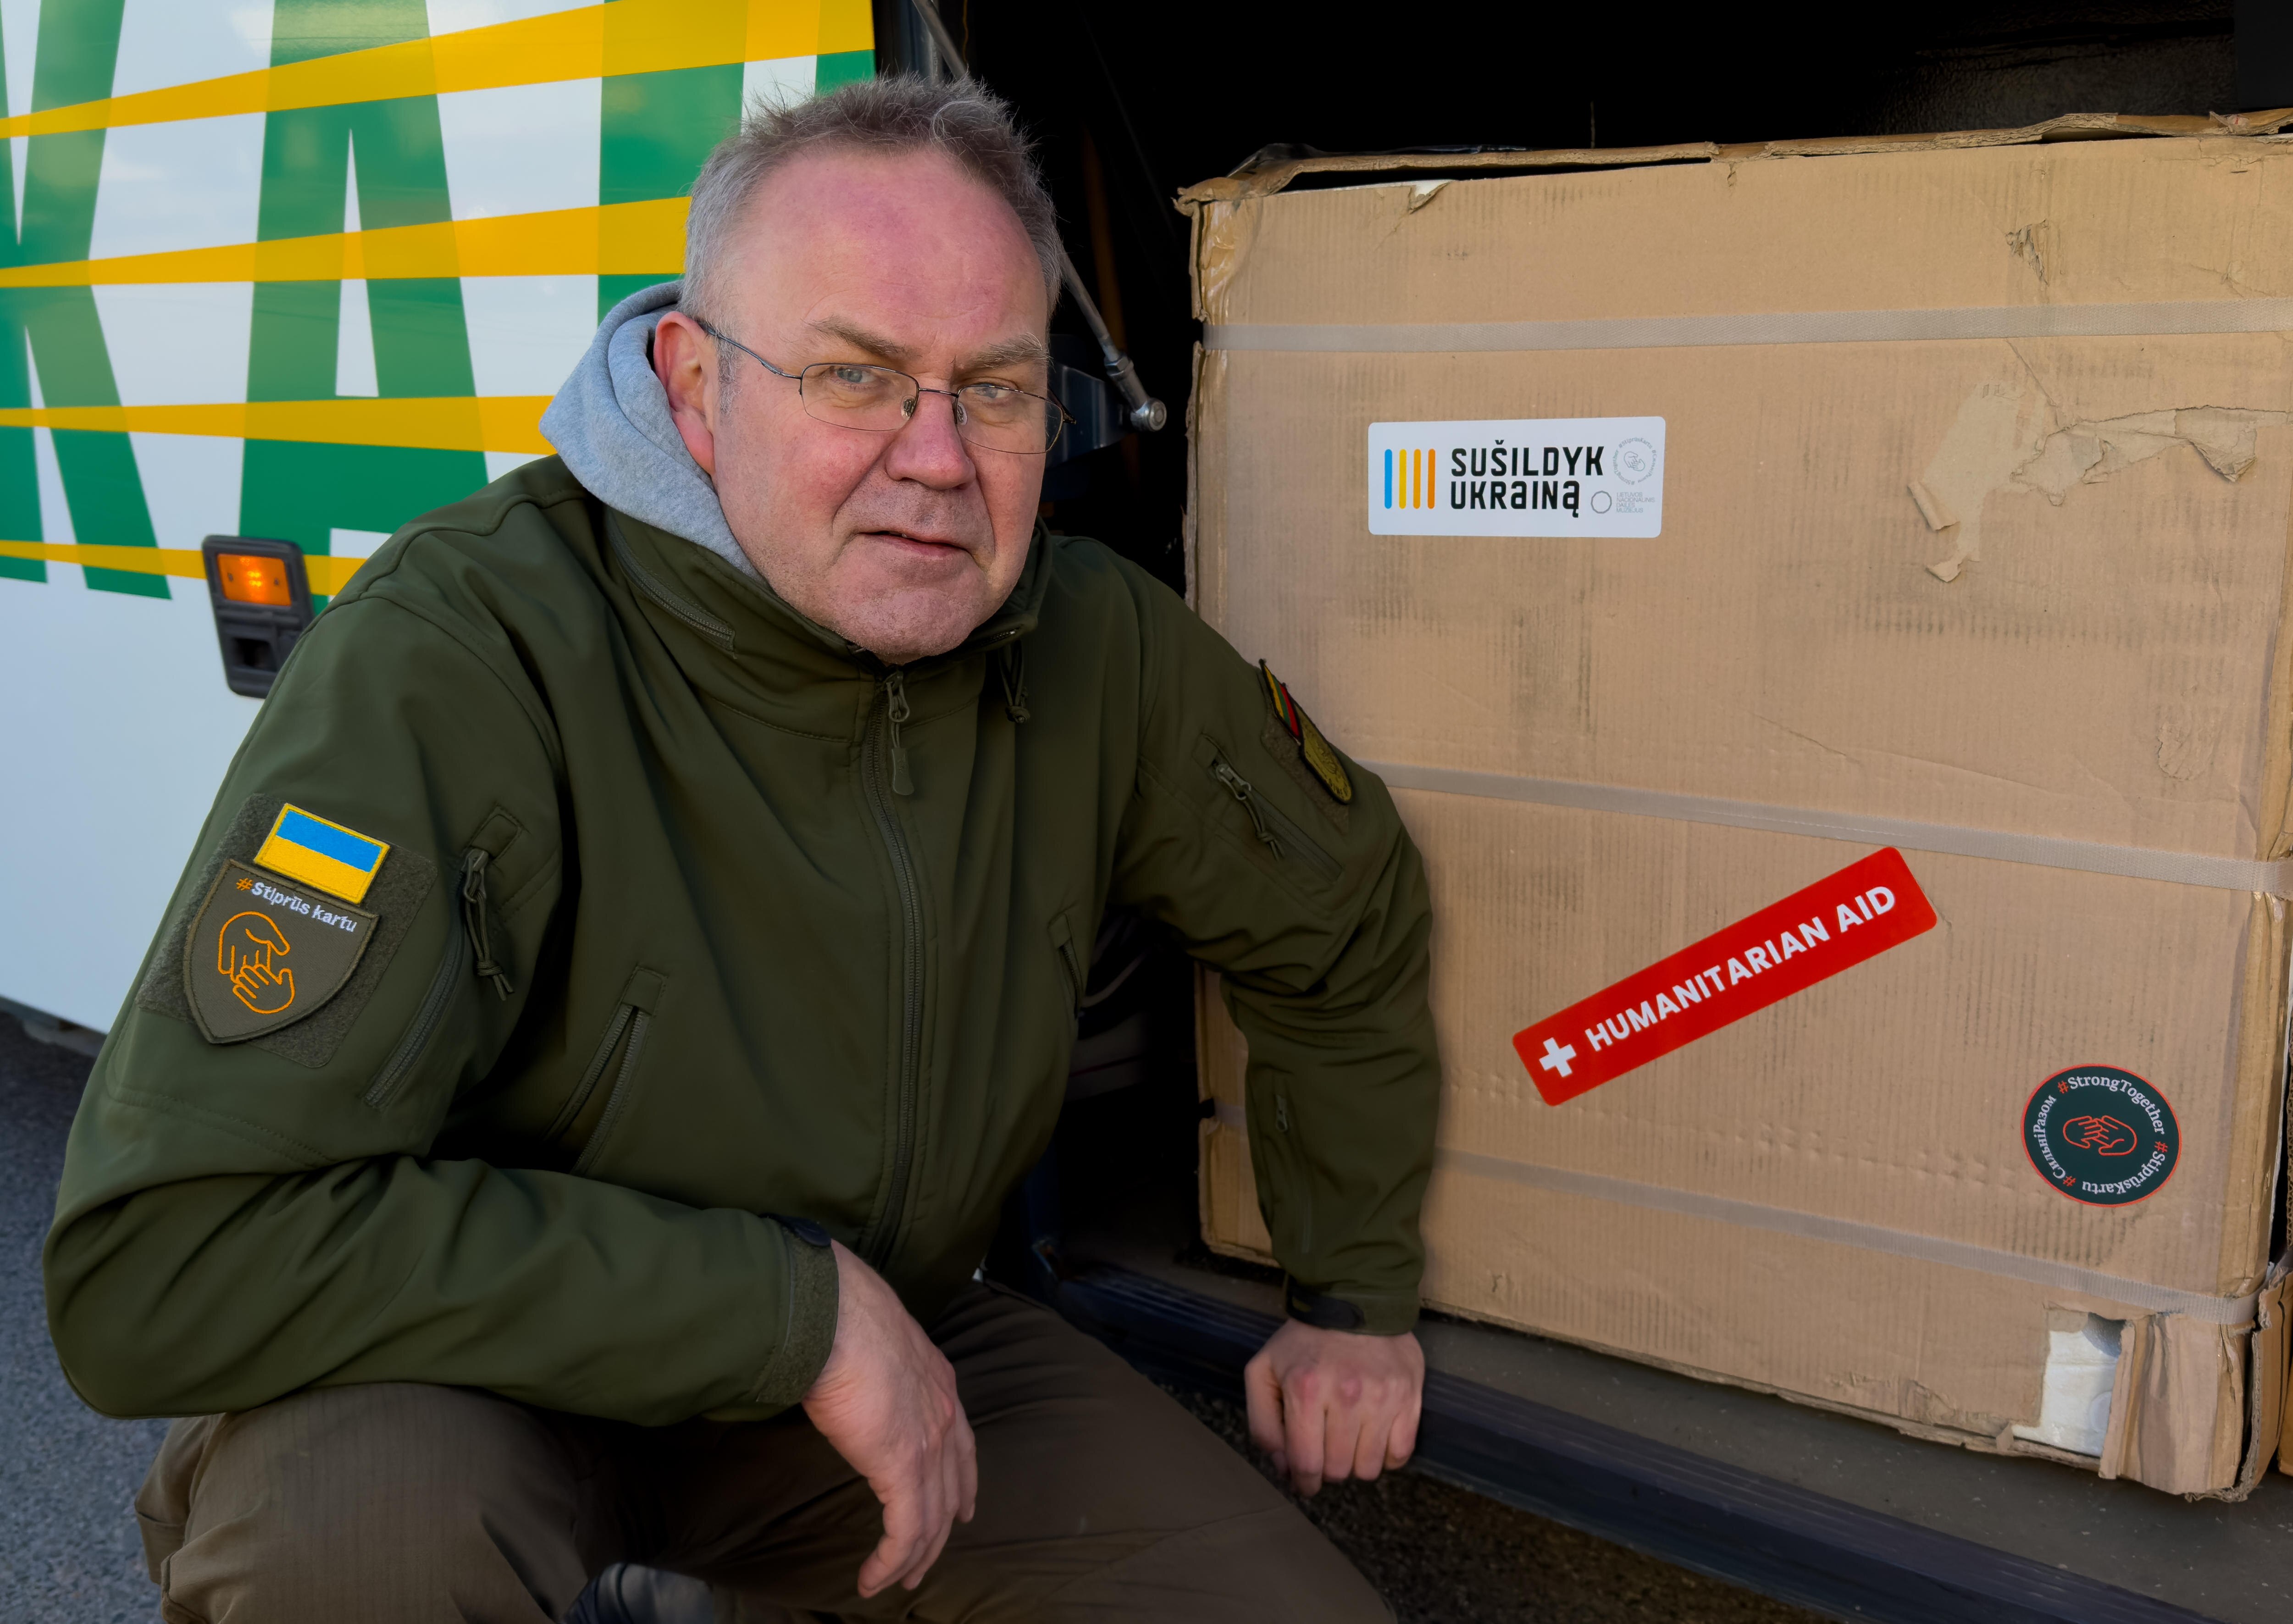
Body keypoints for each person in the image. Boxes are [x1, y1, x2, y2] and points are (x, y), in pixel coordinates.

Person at [44, 75, 1440, 1623]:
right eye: (854, 377)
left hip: (895, 1344)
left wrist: (1353, 1294)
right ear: (693, 384)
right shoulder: (465, 648)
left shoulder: (1086, 640)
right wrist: (784, 1314)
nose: (937, 458)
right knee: (355, 1555)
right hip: (467, 1375)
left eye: (995, 388)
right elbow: (161, 1260)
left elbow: (1341, 905)